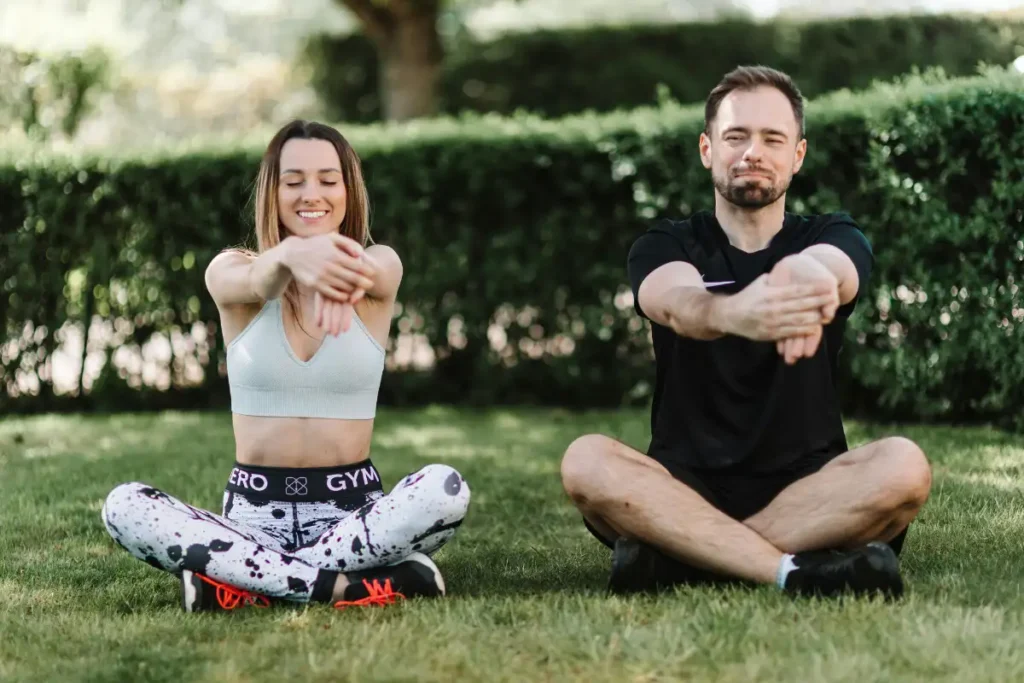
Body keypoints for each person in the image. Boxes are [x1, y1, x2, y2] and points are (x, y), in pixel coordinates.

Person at [559, 66, 932, 598]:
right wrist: (736, 313)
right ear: (708, 149)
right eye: (736, 136)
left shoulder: (830, 234)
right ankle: (795, 570)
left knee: (904, 466)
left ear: (797, 155)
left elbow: (833, 268)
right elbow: (676, 302)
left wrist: (803, 277)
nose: (753, 151)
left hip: (810, 489)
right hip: (683, 484)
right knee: (586, 460)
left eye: (772, 138)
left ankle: (680, 557)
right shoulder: (666, 243)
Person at [101, 120, 470, 612]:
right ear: (272, 193)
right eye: (293, 181)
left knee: (445, 488)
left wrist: (328, 258)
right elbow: (259, 281)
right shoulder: (230, 270)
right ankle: (346, 586)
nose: (310, 193)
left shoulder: (380, 265)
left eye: (327, 179)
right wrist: (293, 253)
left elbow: (370, 270)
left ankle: (245, 581)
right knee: (123, 505)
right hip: (251, 517)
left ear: (347, 191)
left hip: (353, 515)